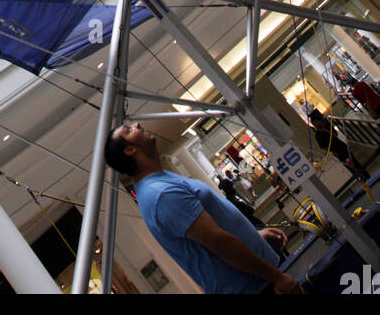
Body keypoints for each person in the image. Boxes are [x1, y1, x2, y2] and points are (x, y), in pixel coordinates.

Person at [104, 121, 300, 295]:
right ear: (130, 150)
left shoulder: (162, 180)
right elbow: (220, 244)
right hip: (257, 287)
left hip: (261, 279)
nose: (138, 125)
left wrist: (254, 239)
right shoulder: (161, 194)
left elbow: (213, 234)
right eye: (129, 130)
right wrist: (276, 277)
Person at [307, 106, 370, 179]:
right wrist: (332, 151)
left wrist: (325, 130)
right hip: (336, 151)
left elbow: (335, 134)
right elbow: (323, 146)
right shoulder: (318, 135)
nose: (316, 124)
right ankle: (359, 177)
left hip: (341, 146)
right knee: (348, 165)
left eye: (317, 122)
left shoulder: (327, 126)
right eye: (315, 124)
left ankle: (366, 175)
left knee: (354, 161)